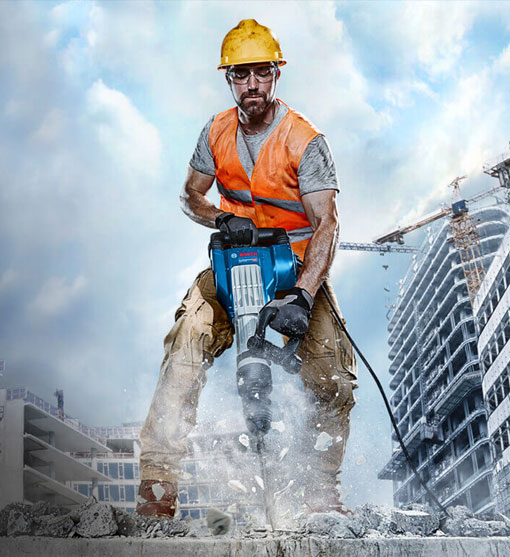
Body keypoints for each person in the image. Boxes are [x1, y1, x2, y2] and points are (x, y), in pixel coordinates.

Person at [135, 19, 357, 519]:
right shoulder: (215, 132)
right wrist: (222, 218)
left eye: (260, 73)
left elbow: (327, 224)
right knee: (187, 338)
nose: (251, 85)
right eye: (240, 75)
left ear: (276, 75)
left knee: (332, 372)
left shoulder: (306, 141)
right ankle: (157, 489)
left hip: (292, 272)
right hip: (232, 266)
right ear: (229, 78)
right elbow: (190, 195)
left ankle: (321, 490)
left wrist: (303, 294)